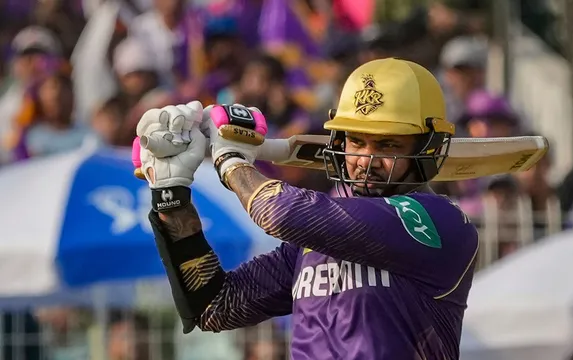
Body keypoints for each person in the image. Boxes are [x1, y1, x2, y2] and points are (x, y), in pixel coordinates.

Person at [134, 58, 479, 359]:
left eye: (388, 144)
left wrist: (230, 161)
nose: (365, 160)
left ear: (428, 148)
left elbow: (277, 211)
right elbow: (214, 306)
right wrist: (171, 197)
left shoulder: (439, 224)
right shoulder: (313, 242)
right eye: (356, 141)